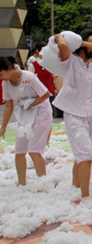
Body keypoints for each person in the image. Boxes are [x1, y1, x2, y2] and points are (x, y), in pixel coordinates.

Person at [53, 30, 92, 200]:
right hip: (73, 112)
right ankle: (85, 195)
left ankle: (76, 186)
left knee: (85, 153)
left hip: (91, 111)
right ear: (81, 40)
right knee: (85, 154)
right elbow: (63, 44)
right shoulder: (70, 60)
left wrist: (84, 43)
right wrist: (61, 37)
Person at [0, 56, 51, 186]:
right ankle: (22, 182)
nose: (1, 77)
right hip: (24, 115)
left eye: (1, 73)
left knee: (34, 150)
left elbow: (46, 94)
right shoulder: (5, 84)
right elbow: (9, 106)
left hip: (41, 113)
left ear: (9, 69)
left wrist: (31, 103)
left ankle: (43, 182)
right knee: (19, 151)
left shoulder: (29, 77)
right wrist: (3, 127)